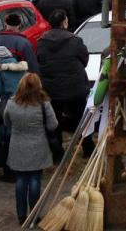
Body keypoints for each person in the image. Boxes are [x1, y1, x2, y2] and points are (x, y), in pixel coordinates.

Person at [3, 73, 57, 225]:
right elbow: (53, 125)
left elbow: (6, 122)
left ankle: (21, 215)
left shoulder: (12, 103)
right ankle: (34, 215)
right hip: (38, 145)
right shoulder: (43, 103)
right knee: (35, 179)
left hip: (17, 145)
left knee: (20, 180)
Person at [35, 10, 88, 163]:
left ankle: (57, 153)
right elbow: (84, 59)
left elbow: (40, 60)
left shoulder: (42, 41)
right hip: (75, 86)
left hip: (51, 88)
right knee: (81, 119)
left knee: (53, 121)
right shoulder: (74, 40)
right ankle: (87, 147)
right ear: (65, 22)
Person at [0, 46, 28, 182]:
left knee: (5, 138)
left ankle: (9, 172)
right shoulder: (23, 70)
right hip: (23, 106)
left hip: (5, 108)